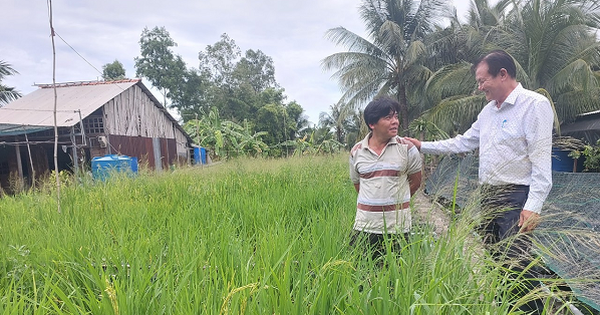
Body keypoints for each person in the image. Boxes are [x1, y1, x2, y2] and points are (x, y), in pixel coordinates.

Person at [406, 49, 553, 314]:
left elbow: (541, 161)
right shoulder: (487, 113)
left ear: (503, 75)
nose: (479, 87)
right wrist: (422, 145)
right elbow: (463, 142)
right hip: (489, 196)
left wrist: (534, 206)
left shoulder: (533, 105)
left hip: (516, 197)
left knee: (517, 264)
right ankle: (508, 308)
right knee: (494, 260)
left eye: (482, 80)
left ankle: (530, 310)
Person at [349, 97, 422, 260]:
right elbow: (358, 186)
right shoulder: (357, 152)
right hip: (365, 225)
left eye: (396, 116)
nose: (395, 122)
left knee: (395, 279)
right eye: (388, 118)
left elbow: (416, 182)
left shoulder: (407, 148)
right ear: (372, 124)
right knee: (362, 275)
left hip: (397, 227)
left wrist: (394, 202)